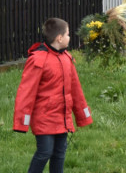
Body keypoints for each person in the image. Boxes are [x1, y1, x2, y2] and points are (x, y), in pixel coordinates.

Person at [13, 18, 93, 173]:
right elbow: (26, 92)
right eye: (68, 34)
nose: (70, 37)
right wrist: (22, 121)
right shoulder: (38, 60)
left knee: (59, 154)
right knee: (44, 152)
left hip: (62, 118)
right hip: (44, 118)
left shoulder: (67, 58)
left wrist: (83, 115)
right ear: (59, 38)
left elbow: (76, 90)